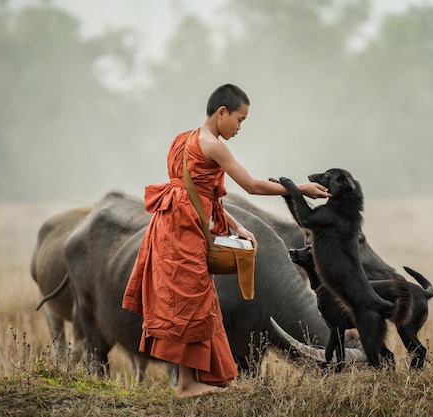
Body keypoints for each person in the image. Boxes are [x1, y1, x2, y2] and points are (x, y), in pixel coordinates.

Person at [122, 83, 331, 398]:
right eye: (239, 119)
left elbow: (201, 195)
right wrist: (298, 189)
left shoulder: (183, 139)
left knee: (194, 301)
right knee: (192, 302)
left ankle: (194, 380)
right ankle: (186, 385)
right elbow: (251, 186)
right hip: (183, 232)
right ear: (221, 113)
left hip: (170, 225)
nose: (239, 127)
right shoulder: (214, 145)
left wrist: (237, 226)